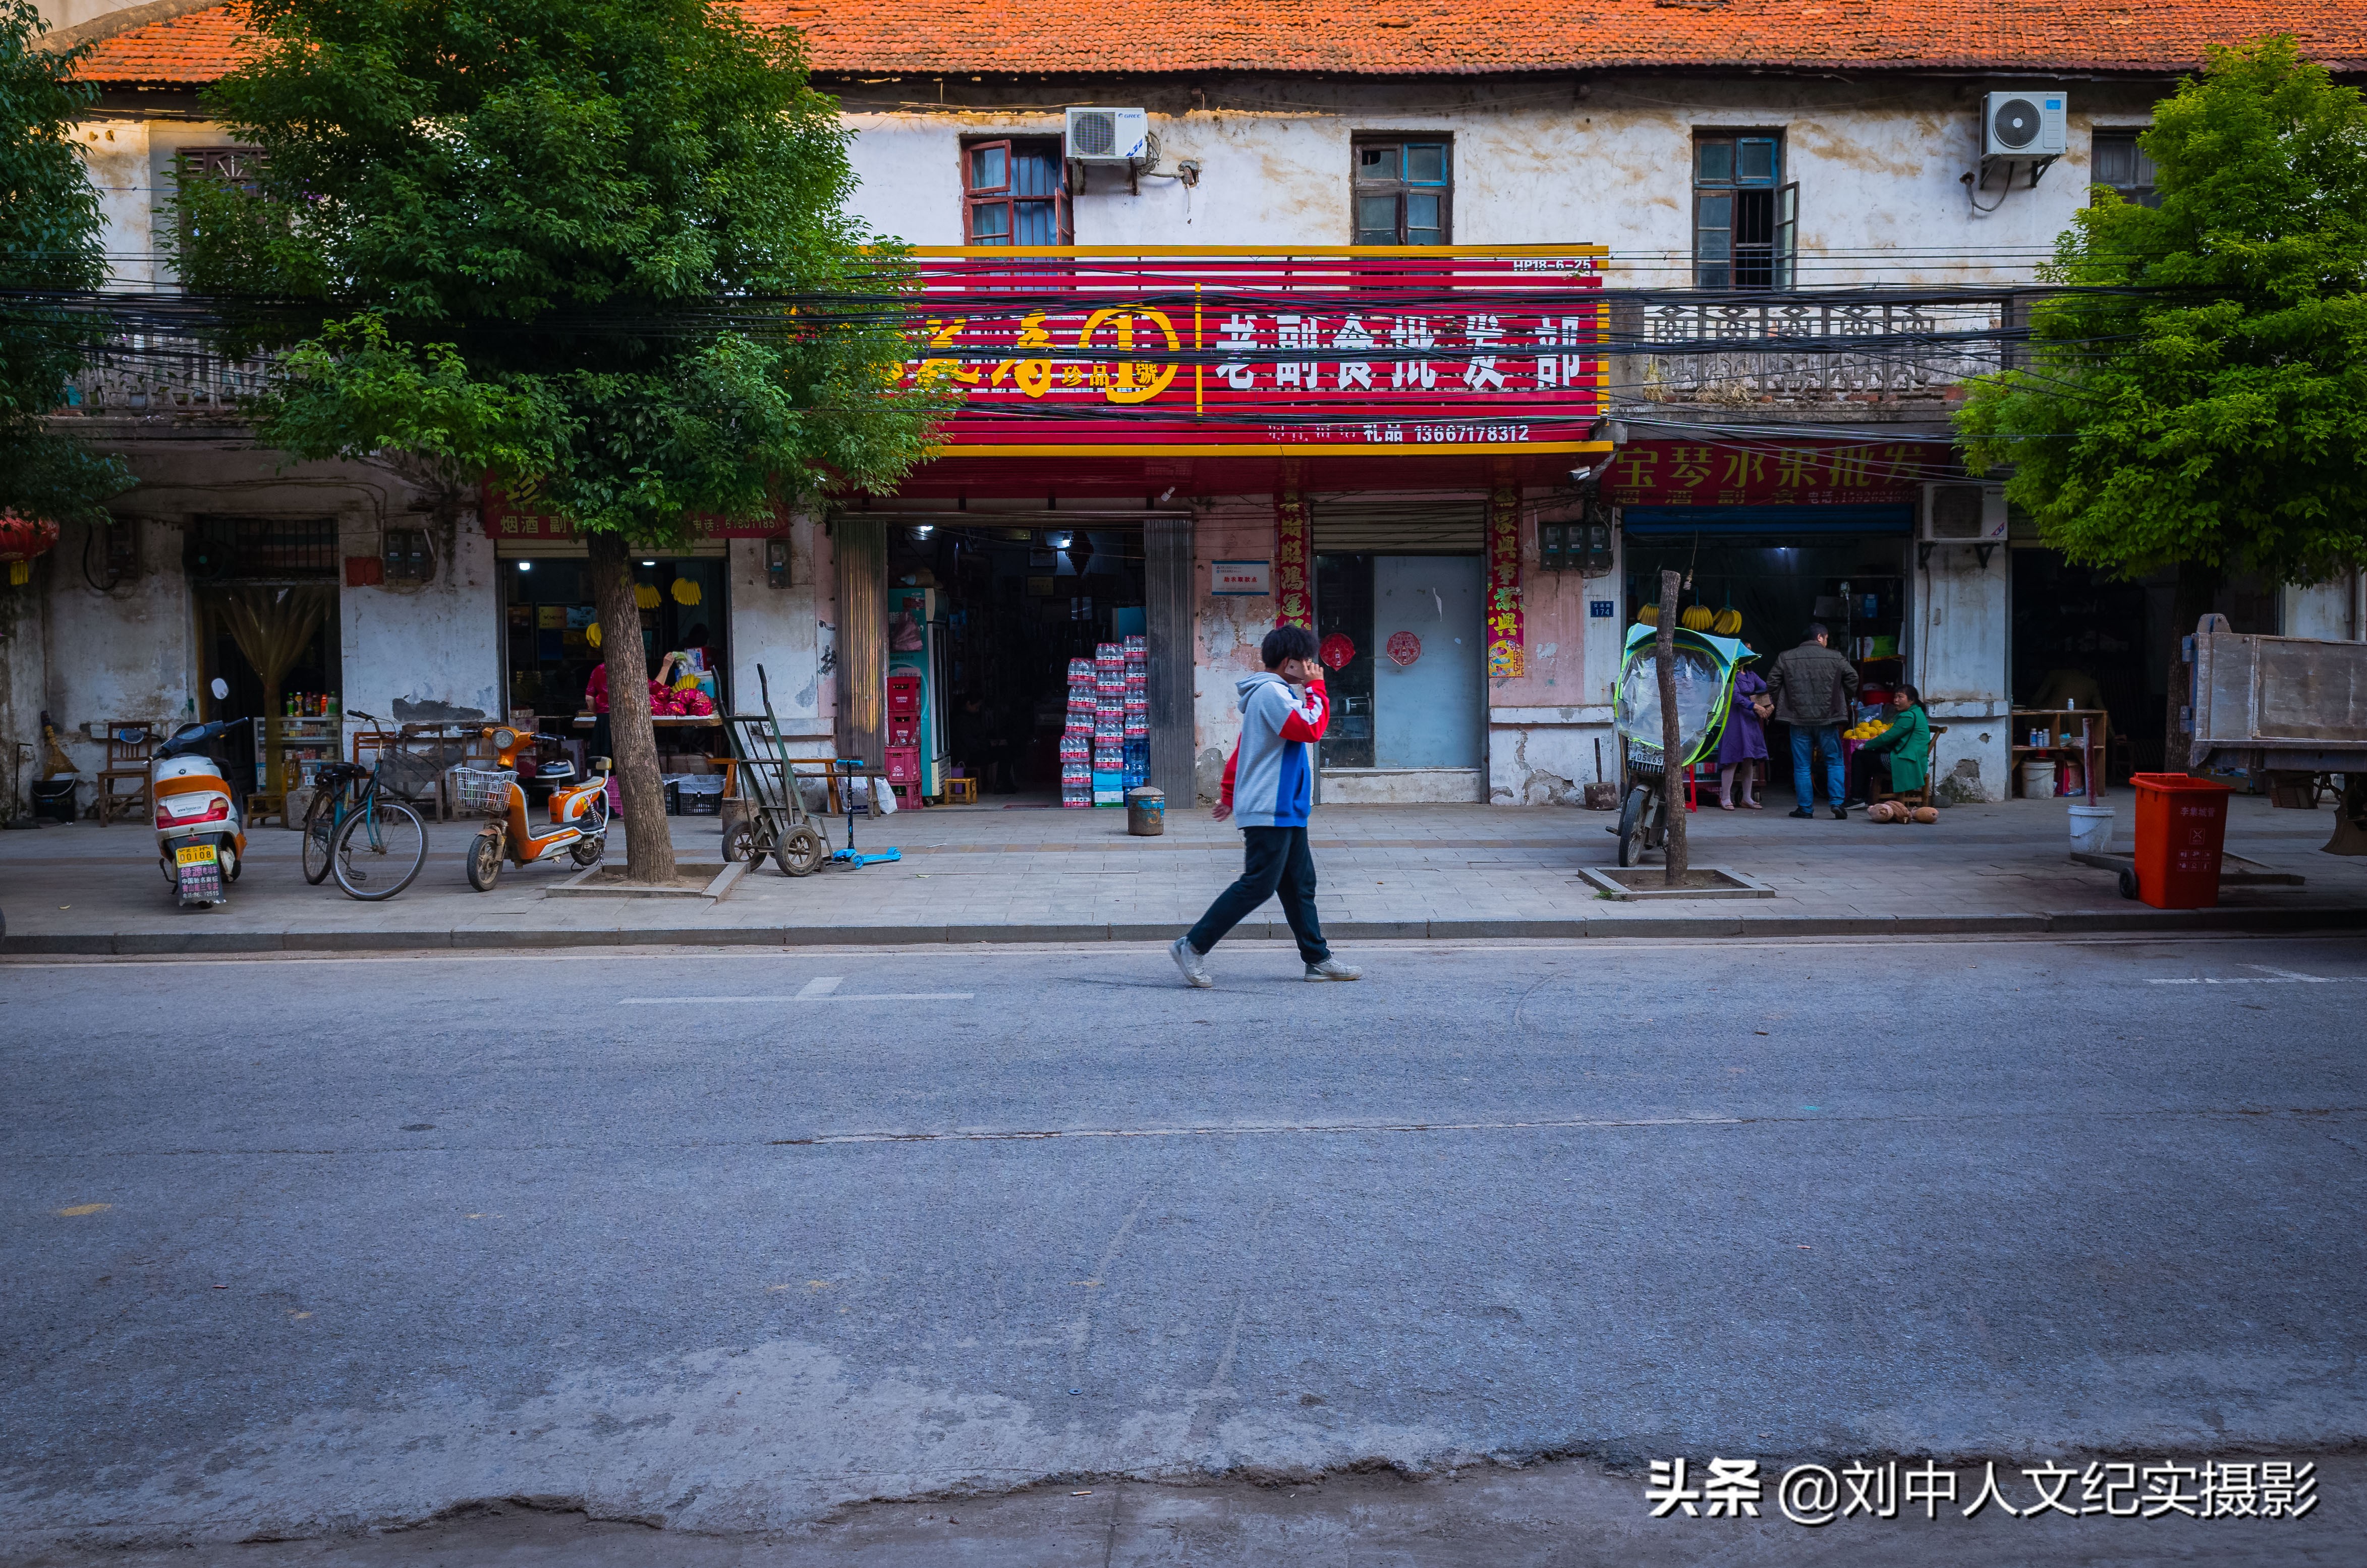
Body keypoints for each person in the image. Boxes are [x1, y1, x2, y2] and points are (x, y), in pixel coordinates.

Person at [1171, 625, 1363, 987]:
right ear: (1290, 663)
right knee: (1258, 885)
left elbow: (1245, 749)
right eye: (1306, 660)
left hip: (1285, 807)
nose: (1311, 665)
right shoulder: (1273, 694)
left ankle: (1317, 958)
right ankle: (1191, 946)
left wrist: (1229, 794)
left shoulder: (1277, 695)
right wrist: (1317, 688)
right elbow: (1311, 729)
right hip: (1269, 807)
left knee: (1299, 884)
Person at [1768, 622, 1858, 819]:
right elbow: (1852, 677)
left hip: (1798, 720)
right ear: (1820, 637)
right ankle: (1836, 803)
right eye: (1826, 638)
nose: (1827, 642)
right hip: (1828, 719)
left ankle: (1806, 809)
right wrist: (1845, 699)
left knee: (1802, 766)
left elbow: (1772, 682)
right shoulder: (1836, 657)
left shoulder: (1786, 657)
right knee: (1834, 762)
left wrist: (1784, 703)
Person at [1851, 683, 1931, 804]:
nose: (1896, 701)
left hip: (1905, 761)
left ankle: (1857, 798)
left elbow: (1888, 737)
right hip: (1910, 758)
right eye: (1895, 697)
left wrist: (1866, 745)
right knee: (1867, 756)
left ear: (1911, 700)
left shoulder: (1909, 716)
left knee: (1860, 756)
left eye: (1900, 697)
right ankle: (1862, 798)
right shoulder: (1917, 712)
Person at [1716, 645, 1770, 810]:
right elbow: (1735, 697)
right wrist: (1756, 707)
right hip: (1734, 719)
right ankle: (1725, 798)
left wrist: (1770, 705)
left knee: (1749, 759)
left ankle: (1747, 798)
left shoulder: (1750, 674)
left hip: (1749, 720)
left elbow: (1765, 687)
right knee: (1732, 759)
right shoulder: (1729, 673)